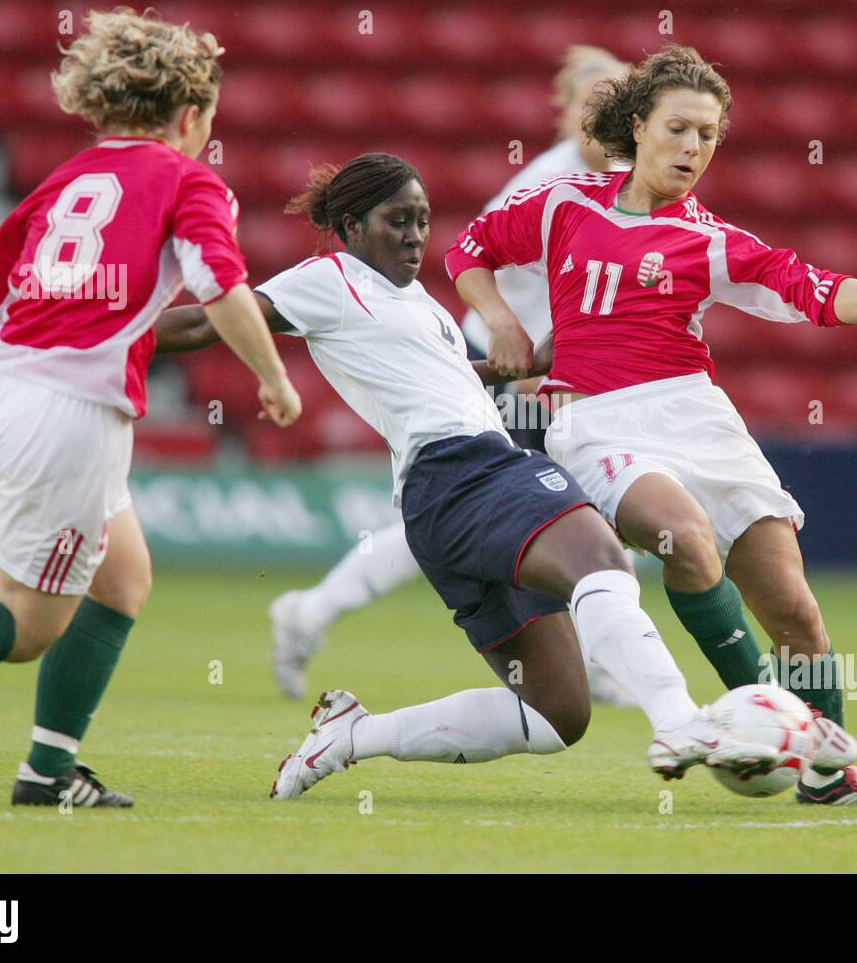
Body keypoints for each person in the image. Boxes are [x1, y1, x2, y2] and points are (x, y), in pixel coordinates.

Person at [154, 153, 835, 798]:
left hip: (440, 501)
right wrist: (108, 327)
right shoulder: (329, 279)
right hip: (465, 470)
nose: (415, 233)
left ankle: (353, 734)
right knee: (600, 557)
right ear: (351, 227)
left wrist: (507, 369)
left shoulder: (420, 305)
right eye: (397, 219)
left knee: (556, 714)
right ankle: (679, 720)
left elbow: (439, 380)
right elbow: (208, 317)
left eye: (422, 218)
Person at [448, 45, 857, 807]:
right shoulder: (563, 204)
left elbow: (813, 290)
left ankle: (826, 775)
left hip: (697, 415)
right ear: (638, 126)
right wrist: (500, 322)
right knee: (681, 534)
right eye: (678, 128)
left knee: (794, 608)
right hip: (597, 420)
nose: (692, 148)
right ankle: (762, 721)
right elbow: (468, 250)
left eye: (708, 135)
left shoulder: (713, 242)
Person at [0, 9, 301, 808]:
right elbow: (221, 285)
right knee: (24, 629)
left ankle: (47, 773)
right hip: (73, 416)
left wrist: (53, 350)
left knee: (123, 579)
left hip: (10, 390)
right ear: (190, 114)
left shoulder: (62, 180)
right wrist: (273, 377)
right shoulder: (187, 177)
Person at [265, 46, 635, 706]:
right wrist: (507, 341)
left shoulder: (622, 185)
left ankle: (310, 611)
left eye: (618, 101)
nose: (606, 115)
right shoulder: (548, 185)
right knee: (573, 507)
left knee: (518, 519)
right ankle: (604, 656)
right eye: (593, 100)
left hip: (529, 373)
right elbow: (476, 256)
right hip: (494, 370)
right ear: (571, 112)